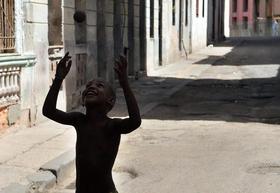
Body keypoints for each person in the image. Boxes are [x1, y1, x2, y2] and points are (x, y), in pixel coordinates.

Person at [42, 52, 141, 193]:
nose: (91, 87)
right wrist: (58, 78)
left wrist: (124, 83)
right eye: (88, 86)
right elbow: (48, 111)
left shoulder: (112, 127)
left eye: (99, 86)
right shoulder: (79, 120)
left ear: (110, 100)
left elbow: (135, 121)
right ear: (83, 100)